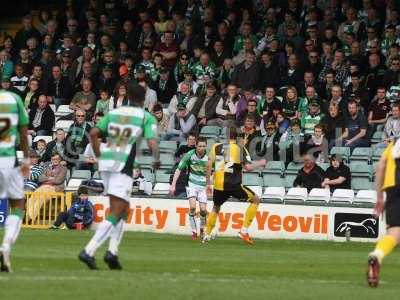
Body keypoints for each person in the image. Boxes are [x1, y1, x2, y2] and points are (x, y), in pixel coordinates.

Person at [79, 85, 160, 270]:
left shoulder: (114, 113)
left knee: (123, 209)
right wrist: (156, 159)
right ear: (145, 99)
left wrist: (99, 156)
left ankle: (112, 253)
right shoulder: (145, 116)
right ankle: (89, 250)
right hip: (123, 164)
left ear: (128, 96)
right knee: (118, 210)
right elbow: (152, 141)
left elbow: (93, 133)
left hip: (107, 162)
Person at [203, 127, 266, 244]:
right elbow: (248, 167)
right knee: (256, 199)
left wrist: (208, 183)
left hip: (218, 185)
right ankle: (244, 230)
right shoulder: (240, 149)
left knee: (216, 207)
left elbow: (208, 165)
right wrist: (261, 163)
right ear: (237, 138)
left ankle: (206, 234)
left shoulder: (216, 147)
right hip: (233, 184)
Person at [0, 90, 30, 273]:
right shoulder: (14, 99)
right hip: (8, 159)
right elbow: (24, 132)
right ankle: (5, 247)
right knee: (18, 204)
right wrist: (26, 160)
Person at [366, 137, 400, 287]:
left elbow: (380, 166)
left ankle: (377, 255)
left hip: (393, 188)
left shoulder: (395, 142)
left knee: (394, 233)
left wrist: (379, 197)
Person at [170, 137, 208, 240]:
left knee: (203, 210)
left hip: (203, 186)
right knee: (192, 207)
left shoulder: (209, 156)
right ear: (196, 145)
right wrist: (173, 185)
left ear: (206, 146)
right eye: (200, 146)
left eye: (204, 146)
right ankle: (194, 232)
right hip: (192, 184)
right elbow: (178, 169)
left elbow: (216, 170)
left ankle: (202, 229)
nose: (202, 148)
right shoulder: (189, 155)